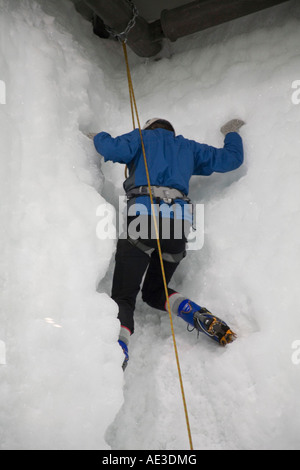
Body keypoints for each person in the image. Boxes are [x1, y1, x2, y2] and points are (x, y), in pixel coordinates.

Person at [90, 118, 245, 369]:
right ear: (170, 131)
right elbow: (232, 159)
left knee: (124, 296)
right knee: (155, 292)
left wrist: (98, 136)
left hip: (142, 219)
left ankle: (119, 349)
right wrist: (231, 133)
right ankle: (196, 314)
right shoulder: (188, 148)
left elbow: (109, 149)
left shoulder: (140, 138)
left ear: (150, 127)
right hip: (177, 227)